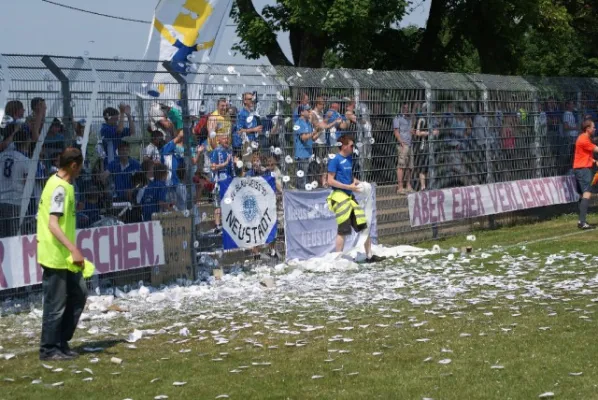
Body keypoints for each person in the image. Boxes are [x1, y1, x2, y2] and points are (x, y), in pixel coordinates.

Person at [37, 147, 87, 361]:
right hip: (56, 254)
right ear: (74, 165)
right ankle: (49, 349)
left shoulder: (60, 183)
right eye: (80, 166)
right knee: (55, 305)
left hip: (64, 256)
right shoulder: (59, 188)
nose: (81, 170)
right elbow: (53, 224)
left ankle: (61, 341)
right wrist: (74, 249)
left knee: (79, 294)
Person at [327, 135, 385, 263]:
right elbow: (330, 180)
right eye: (351, 145)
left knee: (363, 225)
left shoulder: (349, 159)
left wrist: (361, 184)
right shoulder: (335, 160)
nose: (353, 148)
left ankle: (369, 256)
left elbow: (349, 177)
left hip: (350, 197)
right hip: (340, 198)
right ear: (344, 146)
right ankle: (337, 259)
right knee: (343, 229)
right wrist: (348, 186)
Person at [0, 127, 32, 237]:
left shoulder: (2, 156)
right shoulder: (24, 160)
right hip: (16, 201)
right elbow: (27, 182)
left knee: (2, 236)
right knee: (14, 236)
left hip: (1, 198)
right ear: (26, 142)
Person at [573, 119, 598, 230]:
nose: (595, 129)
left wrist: (594, 161)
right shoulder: (584, 139)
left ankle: (581, 221)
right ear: (587, 129)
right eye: (593, 127)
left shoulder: (584, 137)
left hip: (581, 168)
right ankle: (582, 222)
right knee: (587, 194)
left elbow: (584, 154)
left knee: (583, 194)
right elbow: (596, 149)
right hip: (583, 169)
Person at [210, 135, 234, 233]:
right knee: (218, 205)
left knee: (229, 204)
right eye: (224, 138)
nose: (226, 140)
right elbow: (212, 167)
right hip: (219, 182)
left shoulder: (229, 151)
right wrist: (224, 164)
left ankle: (228, 225)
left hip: (229, 181)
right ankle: (218, 226)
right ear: (218, 140)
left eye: (227, 138)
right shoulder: (216, 151)